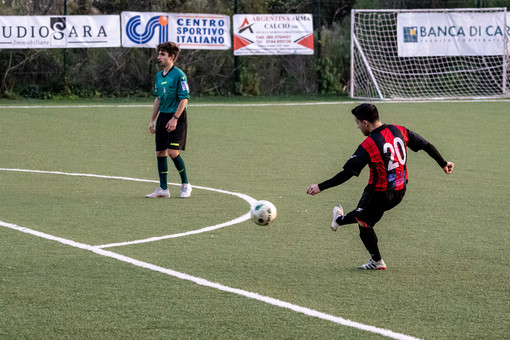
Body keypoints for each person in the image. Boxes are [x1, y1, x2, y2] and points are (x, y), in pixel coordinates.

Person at [307, 103, 454, 270]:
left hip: (378, 193)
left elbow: (347, 173)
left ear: (365, 123)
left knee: (364, 221)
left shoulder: (369, 144)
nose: (357, 127)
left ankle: (375, 260)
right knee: (365, 217)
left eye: (357, 123)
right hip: (400, 191)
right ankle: (339, 222)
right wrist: (443, 163)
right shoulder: (399, 130)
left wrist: (321, 186)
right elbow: (426, 145)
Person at [146, 41, 192, 198]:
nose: (158, 57)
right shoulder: (159, 76)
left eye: (162, 54)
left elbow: (184, 98)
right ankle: (163, 189)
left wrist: (175, 119)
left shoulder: (179, 75)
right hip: (163, 116)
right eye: (158, 54)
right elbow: (158, 99)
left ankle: (185, 184)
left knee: (173, 151)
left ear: (172, 57)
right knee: (160, 152)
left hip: (176, 116)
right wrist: (153, 120)